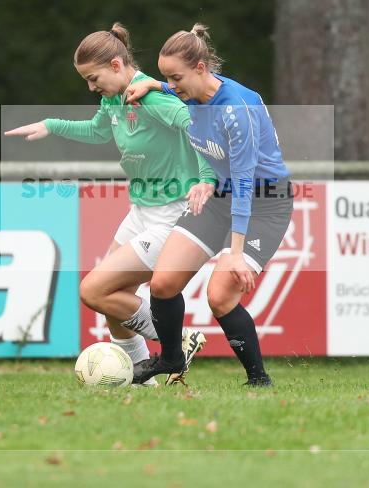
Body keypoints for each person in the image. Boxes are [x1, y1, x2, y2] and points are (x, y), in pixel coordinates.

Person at [4, 23, 212, 385]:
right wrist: (51, 125)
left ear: (116, 65)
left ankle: (177, 342)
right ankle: (141, 381)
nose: (90, 87)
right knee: (115, 300)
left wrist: (206, 177)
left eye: (93, 77)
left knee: (94, 291)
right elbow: (99, 130)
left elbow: (199, 124)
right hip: (141, 211)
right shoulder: (114, 98)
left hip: (173, 215)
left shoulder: (152, 98)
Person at [124, 23, 293, 387]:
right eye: (167, 77)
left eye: (176, 77)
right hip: (219, 198)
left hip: (264, 203)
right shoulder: (190, 91)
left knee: (220, 295)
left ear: (201, 68)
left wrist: (233, 253)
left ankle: (258, 380)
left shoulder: (235, 108)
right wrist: (154, 84)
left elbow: (245, 182)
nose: (173, 85)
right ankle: (171, 358)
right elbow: (172, 86)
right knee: (164, 282)